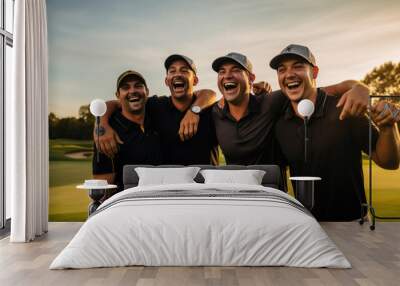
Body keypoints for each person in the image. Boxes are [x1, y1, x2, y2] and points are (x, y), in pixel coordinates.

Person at [270, 44, 400, 220]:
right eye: (281, 70)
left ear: (314, 73)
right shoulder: (280, 124)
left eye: (298, 66)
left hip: (353, 224)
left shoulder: (345, 107)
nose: (289, 74)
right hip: (305, 226)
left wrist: (387, 126)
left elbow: (388, 161)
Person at [211, 52, 371, 167]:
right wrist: (195, 110)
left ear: (251, 79)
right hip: (235, 199)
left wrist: (361, 88)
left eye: (236, 70)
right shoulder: (214, 112)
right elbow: (204, 95)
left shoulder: (271, 102)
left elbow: (328, 90)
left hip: (274, 201)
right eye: (222, 72)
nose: (228, 75)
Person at [96, 54, 218, 165]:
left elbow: (210, 93)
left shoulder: (209, 109)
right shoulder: (156, 105)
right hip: (169, 187)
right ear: (166, 81)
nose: (178, 74)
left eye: (184, 71)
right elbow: (118, 103)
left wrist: (194, 111)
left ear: (195, 80)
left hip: (205, 187)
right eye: (172, 71)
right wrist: (102, 125)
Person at [92, 70, 163, 195]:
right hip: (128, 207)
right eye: (126, 88)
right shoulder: (107, 134)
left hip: (163, 203)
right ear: (118, 95)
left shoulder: (158, 111)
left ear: (147, 92)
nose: (132, 91)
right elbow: (102, 189)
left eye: (138, 86)